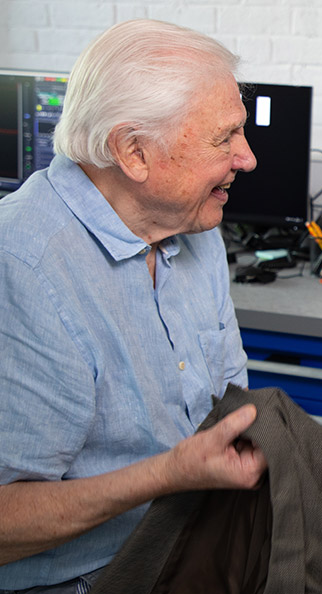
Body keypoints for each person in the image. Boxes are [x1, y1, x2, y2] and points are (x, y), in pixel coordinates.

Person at [0, 20, 265, 590]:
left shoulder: (195, 225)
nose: (247, 158)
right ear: (133, 152)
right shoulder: (22, 266)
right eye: (225, 138)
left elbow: (230, 402)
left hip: (194, 550)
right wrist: (170, 475)